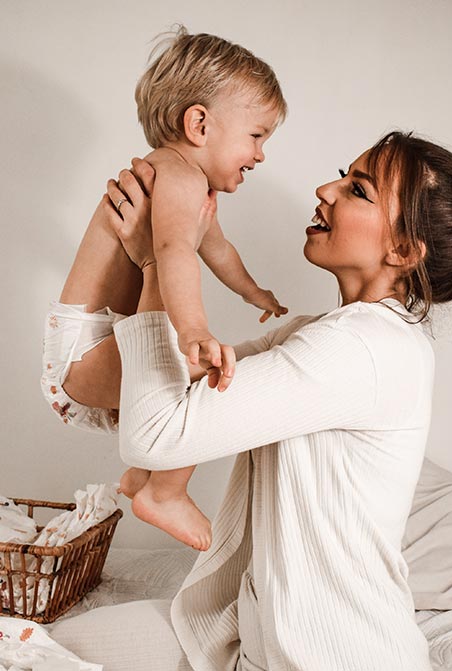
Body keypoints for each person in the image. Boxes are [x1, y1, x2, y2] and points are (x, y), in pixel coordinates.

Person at [42, 129, 452, 670]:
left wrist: (158, 262)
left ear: (403, 250)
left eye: (358, 190)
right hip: (249, 638)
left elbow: (157, 436)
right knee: (38, 645)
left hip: (331, 658)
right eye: (342, 174)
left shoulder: (364, 347)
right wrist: (140, 242)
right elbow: (166, 383)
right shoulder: (333, 334)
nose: (326, 190)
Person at [41, 27, 288, 552]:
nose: (261, 154)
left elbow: (214, 249)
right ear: (199, 124)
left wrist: (254, 292)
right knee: (204, 373)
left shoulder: (184, 181)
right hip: (85, 352)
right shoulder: (176, 175)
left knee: (192, 372)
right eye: (257, 135)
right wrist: (194, 329)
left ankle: (142, 479)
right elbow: (175, 252)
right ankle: (164, 491)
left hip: (94, 345)